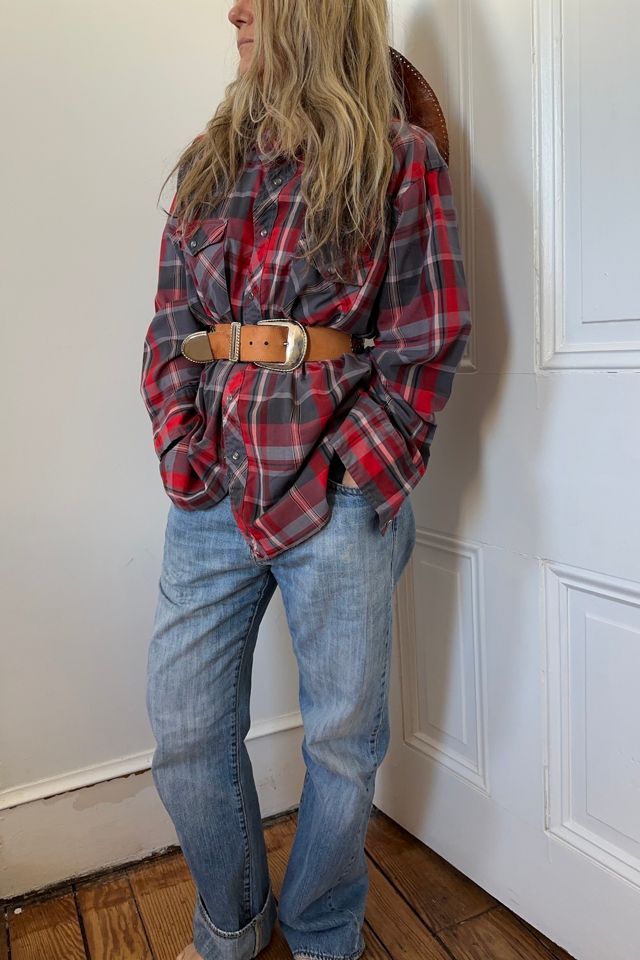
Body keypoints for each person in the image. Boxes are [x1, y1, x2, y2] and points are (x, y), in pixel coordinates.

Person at [139, 2, 472, 958]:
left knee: (341, 745)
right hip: (213, 486)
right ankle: (234, 926)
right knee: (186, 733)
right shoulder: (209, 160)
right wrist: (180, 447)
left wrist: (352, 472)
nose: (234, 10)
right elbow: (170, 329)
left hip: (338, 495)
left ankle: (324, 933)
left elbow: (425, 343)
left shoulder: (400, 160)